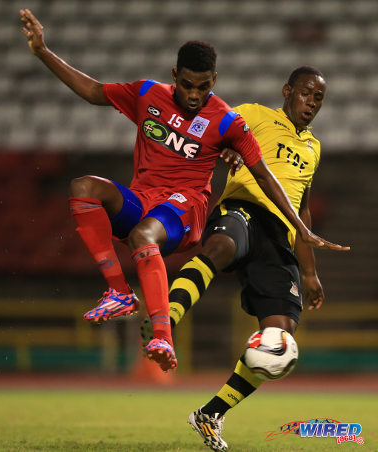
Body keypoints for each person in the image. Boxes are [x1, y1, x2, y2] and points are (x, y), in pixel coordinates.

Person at [20, 9, 341, 374]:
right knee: (83, 187)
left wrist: (300, 226)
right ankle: (119, 292)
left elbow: (265, 175)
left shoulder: (226, 120)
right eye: (187, 85)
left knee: (144, 235)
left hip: (184, 209)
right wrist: (43, 51)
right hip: (143, 199)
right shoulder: (147, 94)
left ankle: (162, 335)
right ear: (175, 76)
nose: (194, 94)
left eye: (203, 87)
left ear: (214, 81)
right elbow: (94, 91)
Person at [141, 66, 350, 449]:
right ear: (287, 91)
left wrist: (310, 272)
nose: (312, 103)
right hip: (243, 208)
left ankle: (211, 413)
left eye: (318, 98)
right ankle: (165, 322)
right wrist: (228, 149)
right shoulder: (254, 114)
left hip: (279, 238)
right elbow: (213, 131)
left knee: (281, 335)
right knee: (220, 248)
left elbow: (301, 210)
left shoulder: (313, 148)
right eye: (306, 93)